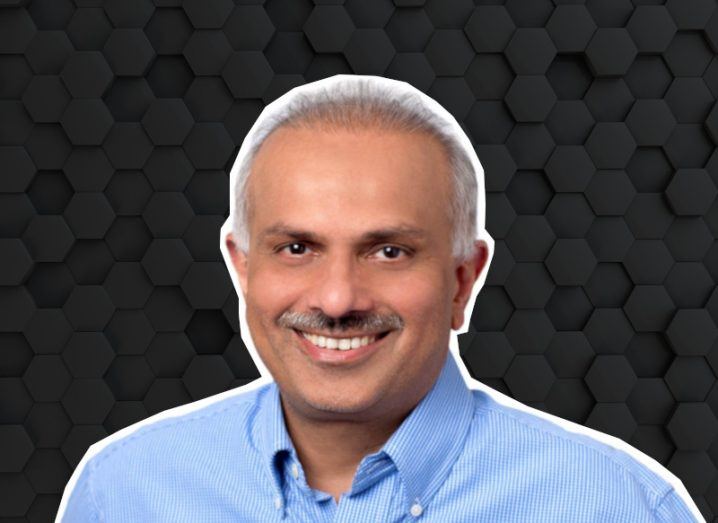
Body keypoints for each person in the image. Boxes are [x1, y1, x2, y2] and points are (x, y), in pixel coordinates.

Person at [58, 75, 702, 522]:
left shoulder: (617, 507)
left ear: (462, 280)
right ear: (241, 268)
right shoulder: (123, 491)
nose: (338, 298)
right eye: (297, 248)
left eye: (389, 251)